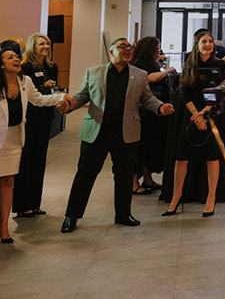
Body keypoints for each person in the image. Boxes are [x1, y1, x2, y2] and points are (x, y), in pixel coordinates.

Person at [58, 38, 174, 233]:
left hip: (126, 133)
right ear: (111, 52)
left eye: (130, 47)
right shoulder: (94, 72)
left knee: (124, 175)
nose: (128, 50)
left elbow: (147, 98)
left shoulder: (139, 74)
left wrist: (160, 107)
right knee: (85, 175)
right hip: (96, 132)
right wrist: (70, 105)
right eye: (122, 46)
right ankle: (72, 215)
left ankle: (123, 214)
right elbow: (81, 96)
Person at [0, 42, 64, 246]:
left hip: (13, 139)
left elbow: (39, 100)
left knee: (8, 182)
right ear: (0, 65)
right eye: (10, 57)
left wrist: (62, 97)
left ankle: (3, 226)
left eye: (16, 56)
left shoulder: (25, 81)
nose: (16, 59)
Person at [162, 30, 225, 217]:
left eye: (210, 41)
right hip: (191, 117)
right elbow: (186, 93)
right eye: (204, 42)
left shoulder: (219, 64)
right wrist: (196, 115)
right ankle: (176, 198)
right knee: (181, 158)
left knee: (212, 158)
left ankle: (211, 198)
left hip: (211, 116)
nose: (208, 44)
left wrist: (203, 113)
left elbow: (219, 91)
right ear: (197, 45)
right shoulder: (190, 64)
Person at [13, 33, 60, 217]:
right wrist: (43, 87)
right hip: (29, 116)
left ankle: (35, 203)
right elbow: (25, 92)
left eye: (47, 43)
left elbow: (52, 89)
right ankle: (22, 205)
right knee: (26, 159)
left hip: (45, 116)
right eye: (41, 43)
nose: (46, 46)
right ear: (33, 46)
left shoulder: (51, 66)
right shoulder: (24, 67)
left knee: (39, 159)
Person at [131, 36, 176, 196]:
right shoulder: (139, 65)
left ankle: (148, 178)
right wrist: (168, 70)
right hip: (145, 112)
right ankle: (134, 182)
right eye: (157, 49)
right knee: (142, 148)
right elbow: (149, 78)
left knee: (151, 147)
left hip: (155, 112)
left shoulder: (151, 63)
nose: (159, 51)